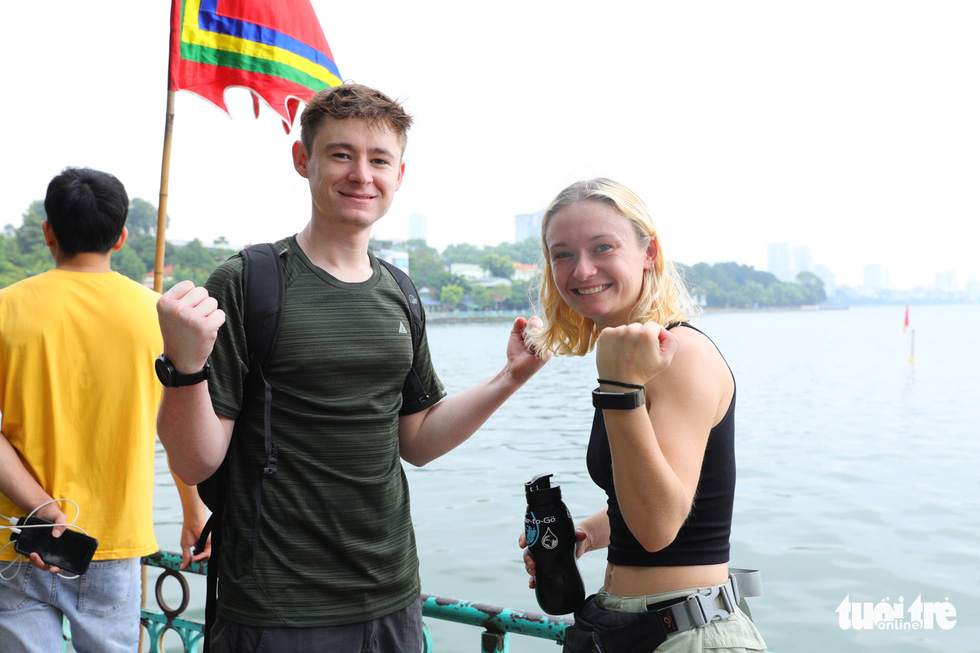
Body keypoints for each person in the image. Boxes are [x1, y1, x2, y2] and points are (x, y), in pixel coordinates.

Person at [155, 82, 548, 652]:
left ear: (399, 175)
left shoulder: (401, 292)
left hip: (391, 593)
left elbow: (415, 439)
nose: (362, 174)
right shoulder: (248, 282)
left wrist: (509, 377)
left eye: (379, 159)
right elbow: (195, 461)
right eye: (341, 154)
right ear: (302, 160)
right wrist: (185, 367)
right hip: (274, 602)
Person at [520, 178, 767, 652]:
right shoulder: (634, 359)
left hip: (690, 632)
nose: (582, 268)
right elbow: (652, 496)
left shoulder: (679, 356)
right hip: (622, 625)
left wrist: (618, 388)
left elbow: (658, 529)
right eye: (562, 254)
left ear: (648, 251)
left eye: (602, 247)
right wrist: (587, 534)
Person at [0, 167, 210, 653]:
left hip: (19, 538)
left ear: (48, 230)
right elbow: (178, 421)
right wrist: (193, 508)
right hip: (113, 540)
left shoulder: (6, 310)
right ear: (120, 237)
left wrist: (44, 508)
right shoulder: (159, 317)